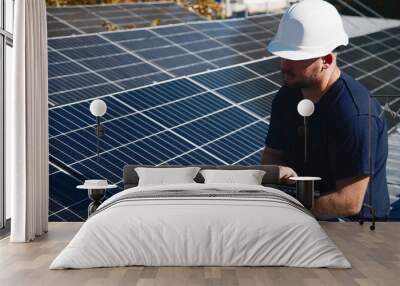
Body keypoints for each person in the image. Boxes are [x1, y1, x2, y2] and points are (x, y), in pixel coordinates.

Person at [261, 0, 390, 219]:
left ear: (326, 61)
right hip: (307, 213)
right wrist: (276, 172)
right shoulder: (287, 96)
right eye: (283, 56)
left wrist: (288, 213)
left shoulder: (355, 114)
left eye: (295, 58)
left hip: (356, 230)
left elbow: (348, 202)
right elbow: (271, 157)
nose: (284, 65)